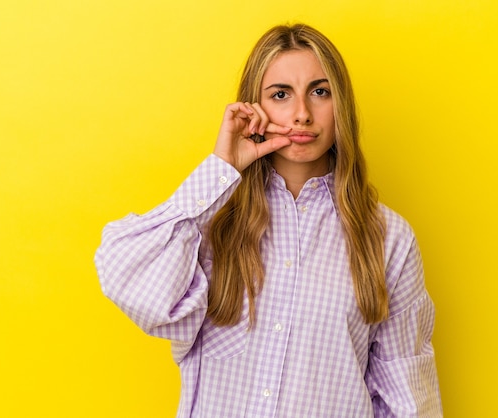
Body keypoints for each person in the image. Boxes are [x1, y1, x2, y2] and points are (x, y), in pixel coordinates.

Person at [95, 23, 442, 417]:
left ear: (340, 103)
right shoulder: (208, 226)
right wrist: (221, 169)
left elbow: (408, 399)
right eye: (281, 95)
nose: (301, 115)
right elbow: (128, 278)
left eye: (320, 92)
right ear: (253, 109)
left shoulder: (389, 239)